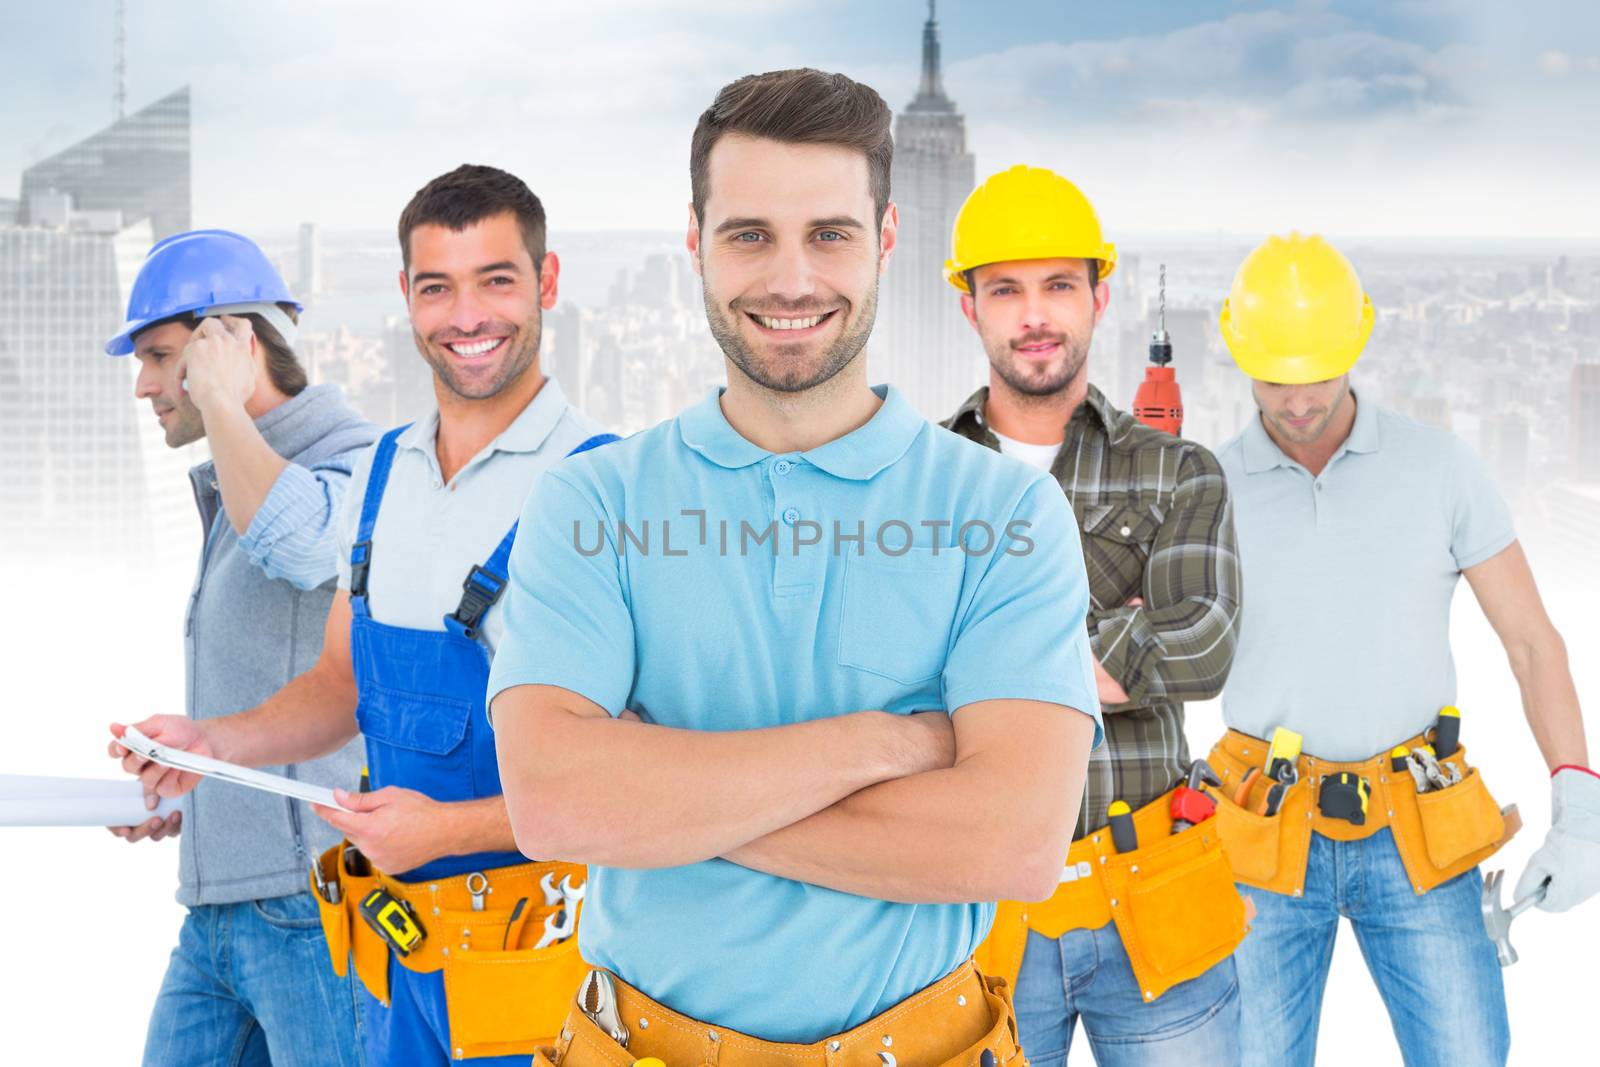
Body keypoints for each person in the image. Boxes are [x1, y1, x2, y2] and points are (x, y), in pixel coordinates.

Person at [488, 69, 1102, 1067]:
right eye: (748, 234)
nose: (790, 278)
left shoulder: (1006, 514)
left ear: (886, 240)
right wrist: (880, 743)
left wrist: (665, 799)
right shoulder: (591, 503)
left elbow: (1012, 844)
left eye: (828, 234)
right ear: (694, 243)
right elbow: (553, 803)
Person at [113, 166, 613, 1066]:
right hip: (390, 957)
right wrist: (210, 745)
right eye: (437, 286)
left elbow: (635, 779)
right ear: (406, 298)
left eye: (496, 280)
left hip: (526, 966)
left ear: (547, 283)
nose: (466, 315)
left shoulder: (602, 487)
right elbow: (341, 685)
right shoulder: (385, 476)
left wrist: (448, 830)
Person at [1209, 231, 1598, 1065]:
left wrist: (1582, 804)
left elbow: (1532, 642)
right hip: (1261, 817)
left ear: (1357, 342)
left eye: (1319, 371)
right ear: (1240, 350)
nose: (1300, 399)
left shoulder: (1440, 468)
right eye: (1277, 376)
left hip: (1414, 814)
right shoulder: (1207, 488)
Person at [942, 165, 1246, 1065]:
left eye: (1059, 286)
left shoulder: (1178, 470)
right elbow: (890, 669)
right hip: (982, 913)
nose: (1035, 314)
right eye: (1007, 289)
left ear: (1099, 296)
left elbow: (1205, 647)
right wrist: (1115, 634)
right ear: (970, 306)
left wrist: (985, 654)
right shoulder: (921, 477)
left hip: (1152, 890)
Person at [106, 228, 376, 1066]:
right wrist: (195, 797)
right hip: (218, 910)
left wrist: (222, 401)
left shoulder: (355, 463)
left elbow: (302, 548)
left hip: (310, 910)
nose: (147, 384)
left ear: (234, 344)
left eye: (160, 356)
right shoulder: (233, 482)